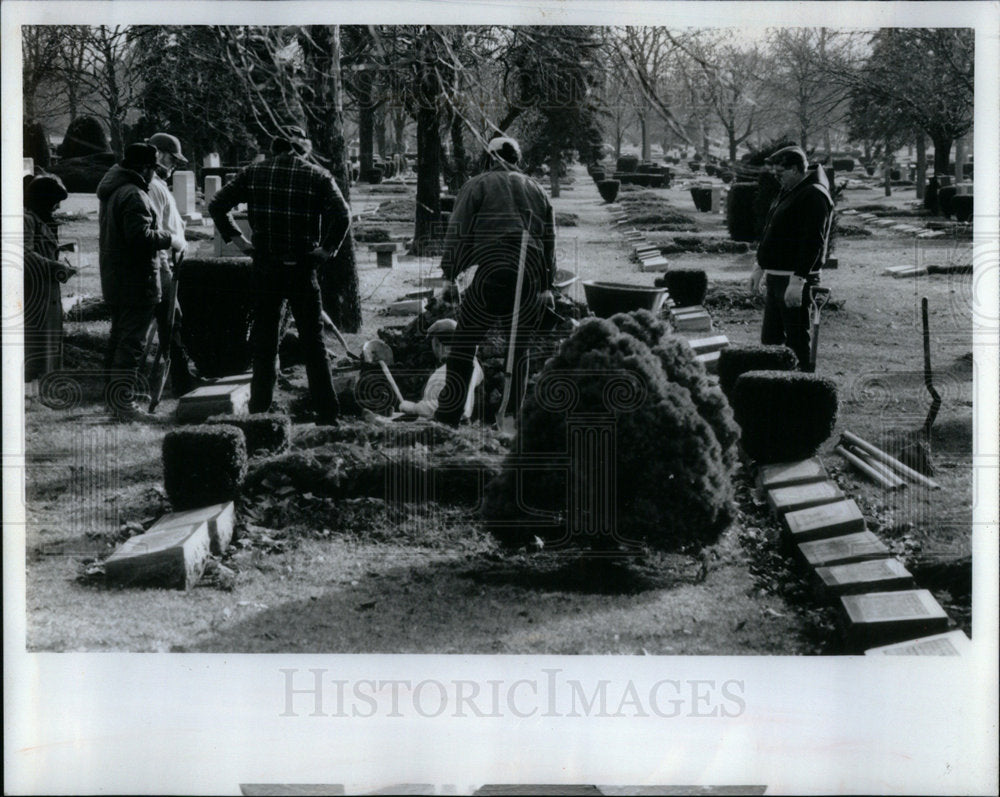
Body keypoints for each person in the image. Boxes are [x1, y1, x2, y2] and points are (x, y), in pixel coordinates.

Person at [208, 126, 350, 425]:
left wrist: (239, 241)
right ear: (303, 148)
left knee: (265, 341)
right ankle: (328, 413)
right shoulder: (317, 175)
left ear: (275, 147)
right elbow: (343, 214)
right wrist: (327, 250)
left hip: (266, 267)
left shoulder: (254, 173)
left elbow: (217, 204)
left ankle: (261, 412)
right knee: (314, 343)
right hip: (302, 266)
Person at [433, 135, 557, 427]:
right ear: (517, 159)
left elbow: (458, 231)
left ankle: (448, 418)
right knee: (519, 349)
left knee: (463, 346)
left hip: (490, 271)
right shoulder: (537, 189)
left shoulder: (476, 184)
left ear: (488, 158)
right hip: (530, 273)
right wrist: (546, 286)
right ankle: (511, 418)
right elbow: (549, 240)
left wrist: (450, 276)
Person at [97, 142, 173, 421]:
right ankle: (124, 404)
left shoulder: (115, 190)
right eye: (153, 168)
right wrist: (168, 237)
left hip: (118, 277)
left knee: (118, 340)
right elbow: (140, 238)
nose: (154, 174)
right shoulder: (134, 195)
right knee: (131, 344)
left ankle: (113, 400)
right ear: (143, 168)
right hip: (136, 279)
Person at [749, 145, 834, 372]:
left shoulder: (814, 194)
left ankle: (801, 390)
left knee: (796, 342)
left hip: (795, 280)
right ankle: (774, 389)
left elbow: (813, 242)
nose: (777, 179)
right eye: (774, 174)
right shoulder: (790, 190)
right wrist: (760, 267)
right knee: (770, 342)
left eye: (781, 173)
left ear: (797, 169)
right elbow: (772, 230)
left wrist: (799, 280)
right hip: (777, 277)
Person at [146, 132, 197, 397]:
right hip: (160, 263)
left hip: (167, 261)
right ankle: (181, 379)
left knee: (172, 321)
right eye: (172, 159)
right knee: (171, 322)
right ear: (159, 154)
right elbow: (156, 229)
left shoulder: (156, 184)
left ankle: (181, 376)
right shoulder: (152, 186)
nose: (174, 165)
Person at [24, 174, 76, 385]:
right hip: (34, 291)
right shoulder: (27, 220)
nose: (56, 207)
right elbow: (24, 253)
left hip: (47, 290)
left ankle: (43, 384)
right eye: (55, 202)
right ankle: (31, 386)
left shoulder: (39, 219)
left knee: (47, 341)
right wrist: (56, 266)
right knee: (36, 342)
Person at [397, 319, 484, 420]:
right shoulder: (472, 365)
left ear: (437, 343)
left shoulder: (444, 373)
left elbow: (442, 407)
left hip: (445, 423)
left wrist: (414, 408)